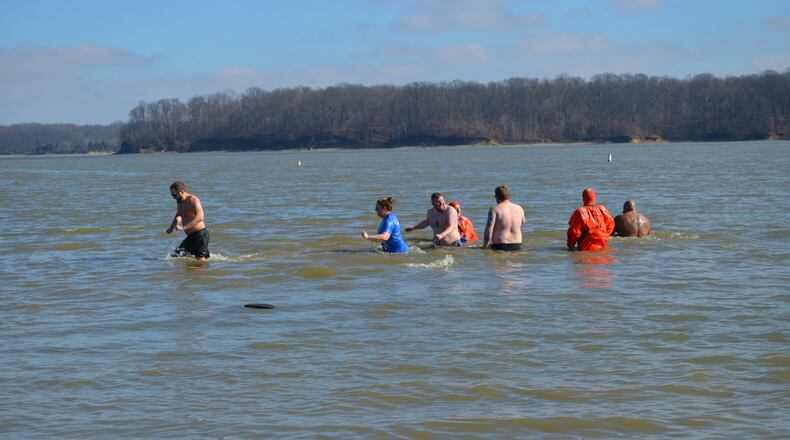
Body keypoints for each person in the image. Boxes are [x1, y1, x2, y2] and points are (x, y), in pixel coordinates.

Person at [166, 181, 210, 260]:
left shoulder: (193, 200)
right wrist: (171, 228)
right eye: (172, 195)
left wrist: (184, 227)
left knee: (200, 262)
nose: (173, 197)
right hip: (191, 237)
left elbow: (200, 217)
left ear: (182, 192)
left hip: (200, 235)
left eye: (174, 195)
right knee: (175, 256)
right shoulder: (180, 202)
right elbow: (178, 214)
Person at [483, 185, 526, 251]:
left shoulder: (495, 209)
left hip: (499, 245)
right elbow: (523, 222)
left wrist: (485, 246)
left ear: (496, 197)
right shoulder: (519, 208)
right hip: (517, 244)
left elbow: (489, 230)